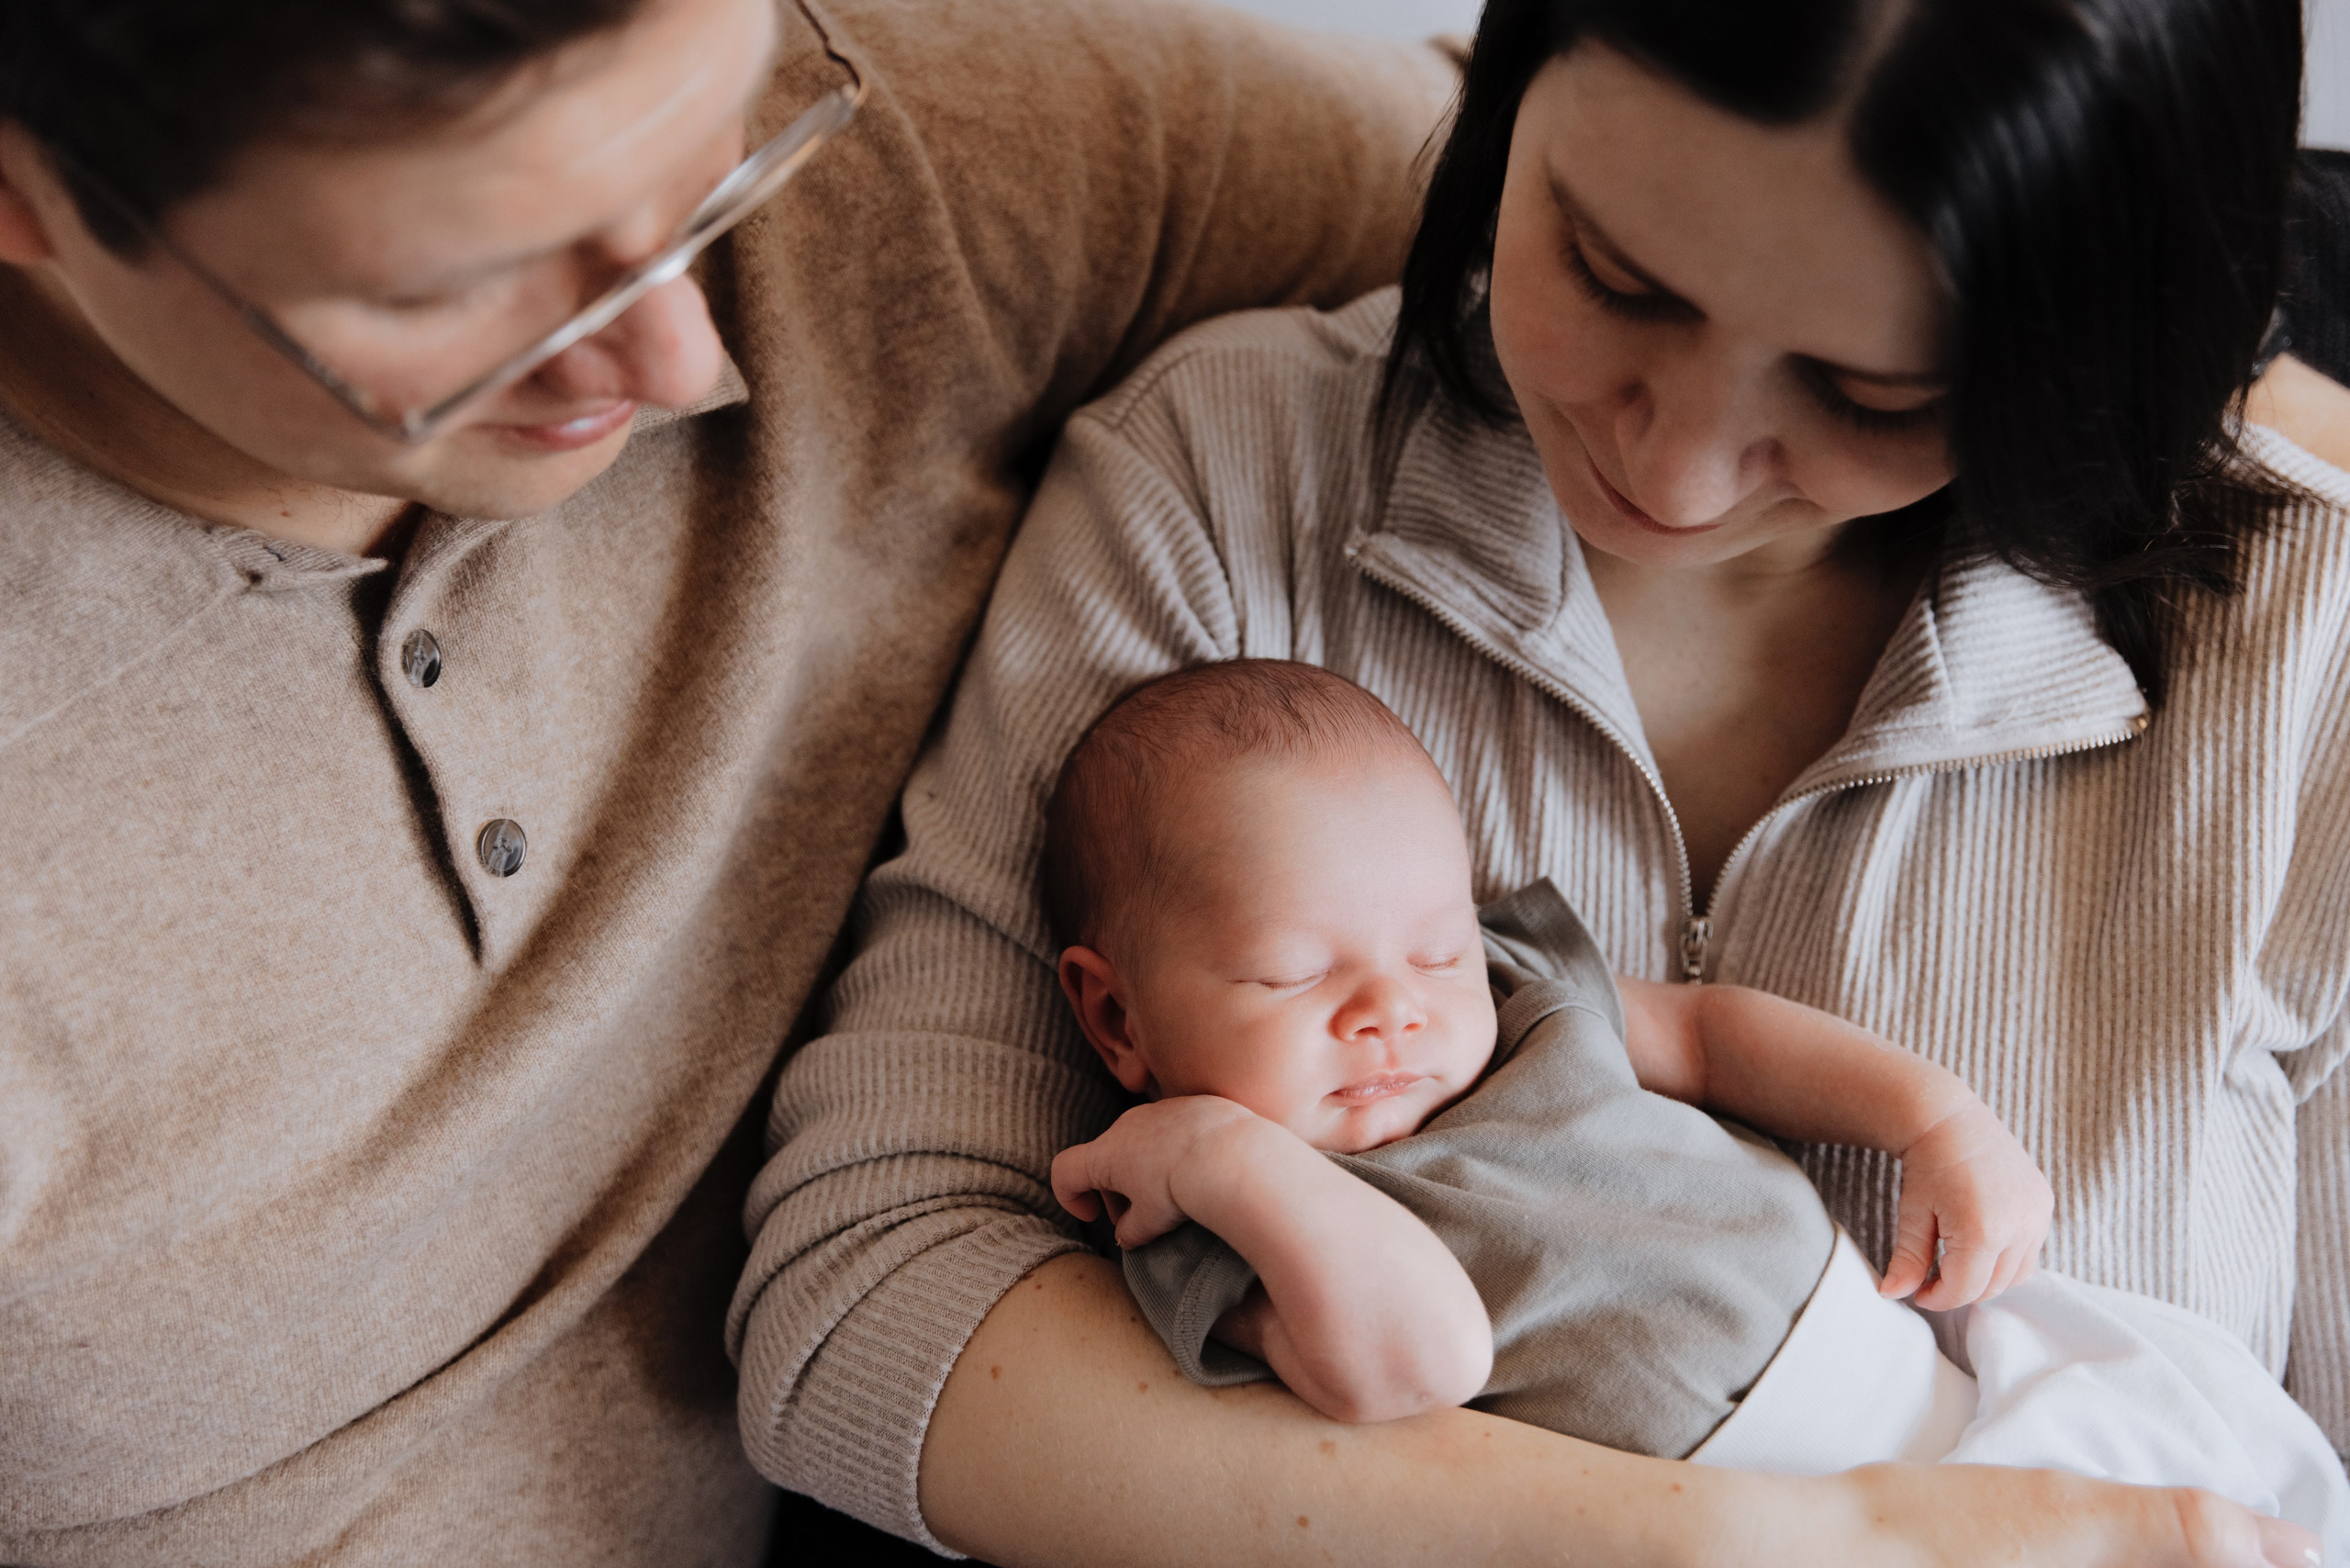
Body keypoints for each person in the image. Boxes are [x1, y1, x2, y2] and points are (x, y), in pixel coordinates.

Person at [740, 0, 2350, 1562]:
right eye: (1613, 273)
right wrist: (1781, 1545)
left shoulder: (2308, 652)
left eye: (1872, 398)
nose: (1676, 467)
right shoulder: (1222, 490)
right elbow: (872, 1304)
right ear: (1516, 83)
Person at [0, 0, 1460, 1561]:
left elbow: (1601, 197)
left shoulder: (902, 149)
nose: (687, 353)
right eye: (469, 284)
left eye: (712, 163)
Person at [1038, 658, 2350, 1552]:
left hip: (1947, 1385)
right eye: (1291, 972)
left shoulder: (1515, 996)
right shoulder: (1217, 1216)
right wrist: (1227, 1156)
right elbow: (1422, 1363)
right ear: (1115, 1017)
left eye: (1431, 946)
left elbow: (1717, 1037)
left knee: (2233, 1496)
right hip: (1767, 1520)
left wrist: (1932, 1119)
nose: (1392, 1009)